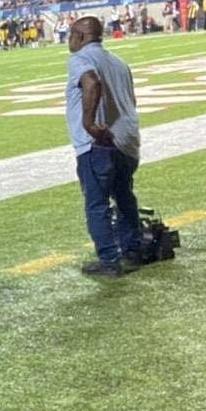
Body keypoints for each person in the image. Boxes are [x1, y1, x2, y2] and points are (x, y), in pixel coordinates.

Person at [65, 15, 142, 277]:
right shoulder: (120, 63)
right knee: (124, 197)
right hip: (127, 140)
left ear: (82, 36)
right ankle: (133, 249)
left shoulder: (80, 59)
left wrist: (89, 123)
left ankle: (110, 260)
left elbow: (91, 83)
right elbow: (132, 100)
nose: (69, 40)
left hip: (99, 143)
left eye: (72, 34)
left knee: (97, 204)